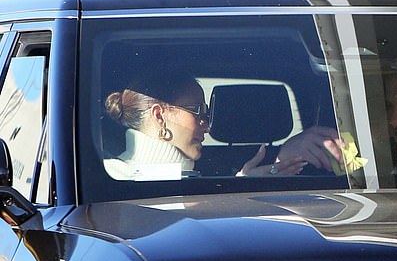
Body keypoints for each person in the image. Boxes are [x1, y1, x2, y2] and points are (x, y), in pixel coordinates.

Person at [104, 69, 307, 180]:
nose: (207, 126)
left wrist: (244, 185)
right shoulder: (114, 176)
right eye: (198, 111)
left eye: (206, 114)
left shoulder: (198, 179)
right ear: (159, 115)